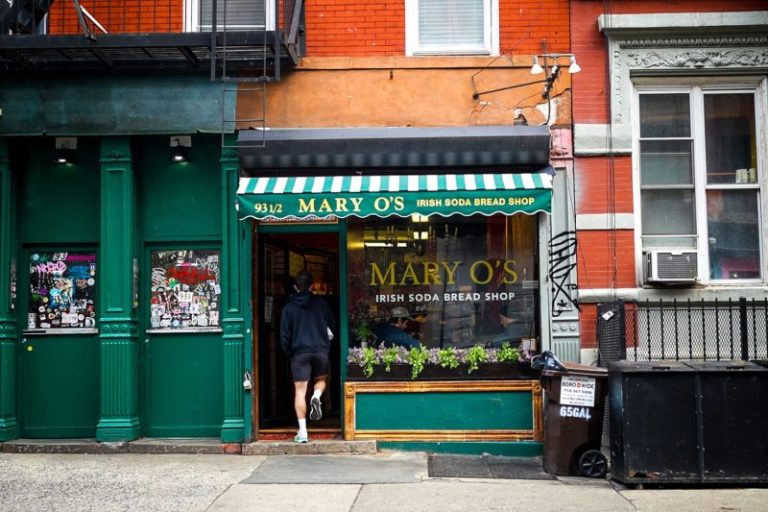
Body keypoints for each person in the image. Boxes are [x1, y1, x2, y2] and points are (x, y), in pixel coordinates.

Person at [280, 270, 336, 443]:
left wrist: (290, 353)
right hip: (320, 350)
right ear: (312, 286)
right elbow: (332, 327)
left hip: (299, 353)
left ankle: (303, 432)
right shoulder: (322, 304)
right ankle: (316, 396)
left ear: (295, 287)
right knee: (321, 380)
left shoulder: (288, 307)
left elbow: (284, 336)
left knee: (299, 391)